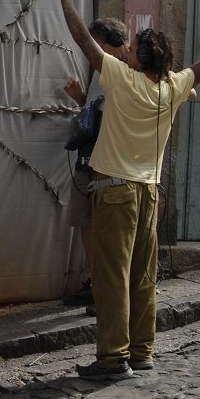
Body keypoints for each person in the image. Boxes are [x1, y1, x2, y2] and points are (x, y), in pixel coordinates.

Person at [55, 0, 200, 380]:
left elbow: (82, 38)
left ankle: (112, 358)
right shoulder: (173, 86)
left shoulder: (122, 79)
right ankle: (142, 351)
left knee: (111, 278)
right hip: (149, 192)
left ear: (139, 58)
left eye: (132, 46)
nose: (126, 49)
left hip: (116, 191)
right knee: (142, 276)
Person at [61, 19, 130, 308]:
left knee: (108, 227)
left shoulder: (125, 71)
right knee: (86, 221)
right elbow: (97, 108)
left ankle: (109, 289)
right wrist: (81, 99)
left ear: (106, 41)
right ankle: (95, 281)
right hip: (87, 157)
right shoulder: (100, 69)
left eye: (96, 43)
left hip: (109, 161)